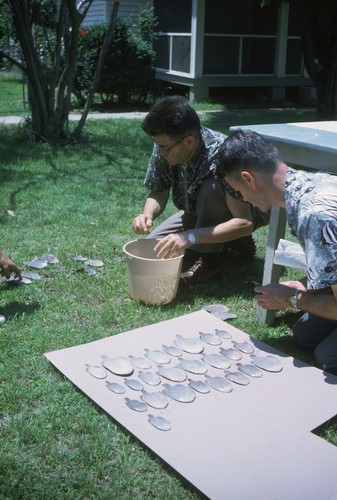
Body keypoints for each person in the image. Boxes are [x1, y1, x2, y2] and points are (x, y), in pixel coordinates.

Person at [216, 128, 337, 374]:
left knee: (325, 356)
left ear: (249, 178)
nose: (243, 198)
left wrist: (290, 299)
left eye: (238, 190)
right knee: (304, 334)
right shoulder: (309, 183)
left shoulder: (314, 216)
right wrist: (306, 284)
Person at [131, 96, 269, 284]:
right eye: (158, 146)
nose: (160, 152)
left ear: (189, 142)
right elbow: (159, 191)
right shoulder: (165, 147)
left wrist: (189, 236)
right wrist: (147, 215)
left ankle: (210, 262)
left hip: (246, 212)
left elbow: (244, 222)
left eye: (164, 148)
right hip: (195, 212)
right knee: (156, 248)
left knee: (210, 188)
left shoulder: (222, 155)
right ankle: (233, 245)